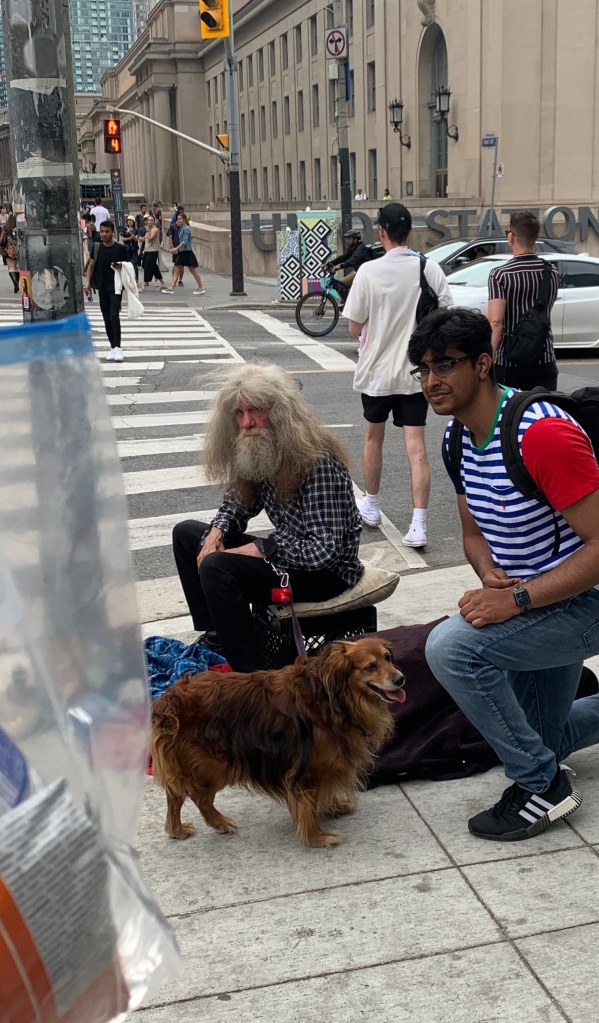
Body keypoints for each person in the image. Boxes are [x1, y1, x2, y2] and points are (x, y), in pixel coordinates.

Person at [407, 307, 599, 842]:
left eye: (444, 365)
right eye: (420, 369)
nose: (431, 381)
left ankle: (542, 788)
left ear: (484, 364)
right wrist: (490, 573)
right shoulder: (458, 440)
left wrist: (514, 601)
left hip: (594, 602)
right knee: (542, 736)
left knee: (451, 648)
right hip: (535, 601)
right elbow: (474, 532)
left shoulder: (543, 436)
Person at [172, 363, 361, 673]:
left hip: (326, 574)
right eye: (239, 413)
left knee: (218, 566)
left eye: (256, 411)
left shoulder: (318, 461)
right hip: (291, 556)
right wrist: (217, 533)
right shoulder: (264, 449)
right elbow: (238, 504)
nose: (247, 423)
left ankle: (252, 672)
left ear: (279, 412)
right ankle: (218, 634)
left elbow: (323, 552)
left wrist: (259, 549)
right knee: (188, 535)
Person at [341, 201, 453, 550]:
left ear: (382, 232)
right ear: (411, 232)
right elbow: (445, 315)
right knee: (416, 448)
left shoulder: (368, 272)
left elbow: (353, 326)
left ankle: (371, 506)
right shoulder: (428, 268)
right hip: (414, 373)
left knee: (373, 438)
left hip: (376, 372)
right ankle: (418, 524)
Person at [486, 210, 560, 395]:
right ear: (535, 237)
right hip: (544, 357)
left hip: (509, 360)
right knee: (543, 414)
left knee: (508, 415)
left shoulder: (500, 275)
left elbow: (495, 322)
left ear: (511, 236)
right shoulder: (551, 273)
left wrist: (488, 358)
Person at [83, 219, 132, 362]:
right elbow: (91, 265)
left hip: (116, 288)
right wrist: (88, 284)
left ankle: (118, 347)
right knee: (106, 318)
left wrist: (120, 266)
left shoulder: (120, 249)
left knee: (113, 316)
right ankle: (112, 347)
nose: (104, 234)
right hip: (102, 287)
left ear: (112, 232)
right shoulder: (97, 247)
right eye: (102, 231)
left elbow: (129, 267)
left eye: (107, 232)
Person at [326, 228, 376, 295]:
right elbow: (343, 257)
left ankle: (351, 304)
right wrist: (329, 264)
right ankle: (345, 303)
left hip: (366, 275)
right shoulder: (352, 248)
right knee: (342, 284)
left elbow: (354, 259)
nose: (347, 241)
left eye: (349, 239)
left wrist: (341, 266)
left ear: (355, 240)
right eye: (347, 239)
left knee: (351, 290)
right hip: (359, 273)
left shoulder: (361, 247)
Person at [172, 211, 206, 295]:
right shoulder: (182, 228)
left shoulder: (186, 228)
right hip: (182, 252)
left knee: (192, 270)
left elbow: (185, 241)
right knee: (176, 268)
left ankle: (201, 287)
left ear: (184, 220)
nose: (178, 220)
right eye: (177, 219)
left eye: (180, 219)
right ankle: (171, 287)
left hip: (187, 252)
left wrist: (176, 248)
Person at [141, 213, 168, 292]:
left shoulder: (155, 229)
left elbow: (150, 238)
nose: (149, 222)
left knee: (148, 267)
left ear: (154, 221)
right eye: (148, 220)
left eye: (151, 220)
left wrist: (148, 231)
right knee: (152, 267)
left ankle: (144, 285)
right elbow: (145, 239)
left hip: (153, 251)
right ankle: (162, 283)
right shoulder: (147, 229)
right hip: (147, 250)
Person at [0, 212, 20, 293]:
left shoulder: (5, 227)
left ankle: (15, 283)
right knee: (16, 266)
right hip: (17, 247)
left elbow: (1, 238)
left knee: (10, 267)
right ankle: (17, 282)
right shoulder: (18, 227)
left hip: (8, 248)